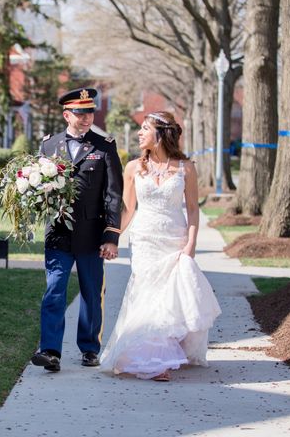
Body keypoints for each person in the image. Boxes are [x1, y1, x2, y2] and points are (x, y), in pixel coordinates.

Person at [99, 111, 221, 381]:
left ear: (161, 134)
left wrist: (191, 243)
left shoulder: (186, 168)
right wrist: (112, 238)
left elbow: (192, 210)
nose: (140, 133)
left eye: (145, 128)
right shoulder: (133, 167)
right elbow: (129, 210)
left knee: (169, 301)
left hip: (174, 241)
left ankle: (163, 355)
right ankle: (154, 359)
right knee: (147, 297)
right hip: (144, 241)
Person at [31, 88, 123, 372]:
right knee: (54, 290)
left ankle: (89, 348)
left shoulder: (104, 146)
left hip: (92, 234)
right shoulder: (48, 146)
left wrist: (111, 236)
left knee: (91, 293)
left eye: (90, 113)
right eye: (81, 114)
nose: (86, 119)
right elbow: (38, 189)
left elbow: (113, 195)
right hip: (58, 233)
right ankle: (50, 351)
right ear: (66, 114)